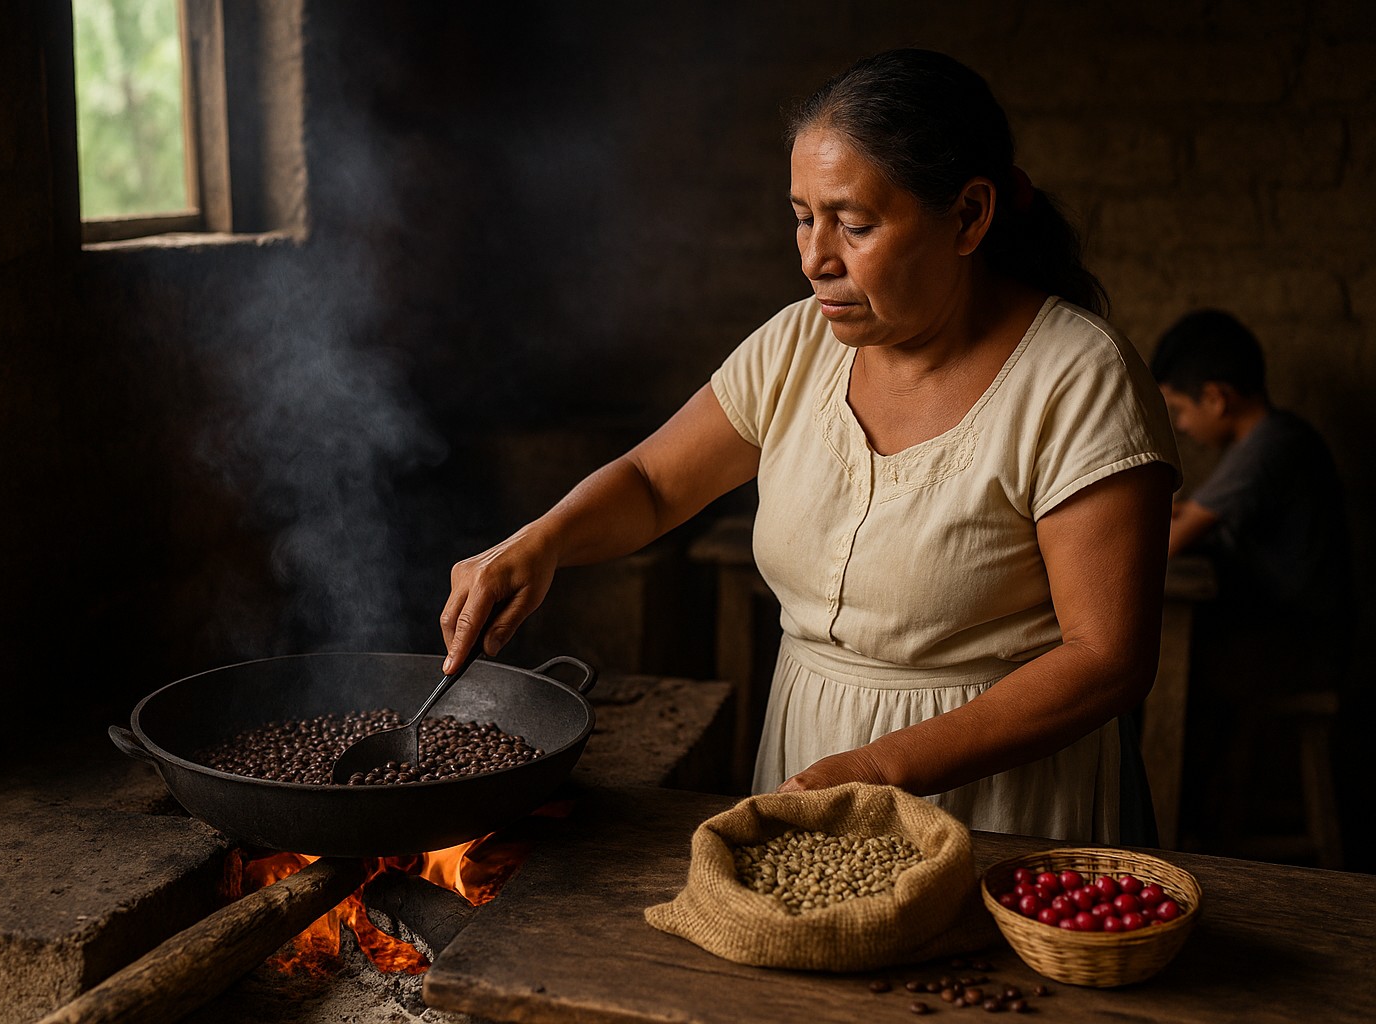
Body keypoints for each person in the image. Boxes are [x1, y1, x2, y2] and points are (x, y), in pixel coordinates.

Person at [442, 48, 1179, 843]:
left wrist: (877, 767)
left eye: (854, 226)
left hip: (1004, 802)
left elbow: (1105, 659)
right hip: (809, 758)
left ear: (969, 215)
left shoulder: (1078, 378)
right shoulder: (797, 345)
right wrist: (543, 540)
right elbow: (655, 482)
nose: (814, 259)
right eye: (803, 217)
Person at [1149, 309, 1356, 857]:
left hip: (1300, 649)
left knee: (1156, 674)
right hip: (1292, 639)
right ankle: (1198, 825)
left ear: (1217, 397)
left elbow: (1168, 540)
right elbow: (1186, 513)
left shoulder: (1269, 446)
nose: (1182, 427)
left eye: (1180, 410)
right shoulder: (1263, 442)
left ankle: (1173, 837)